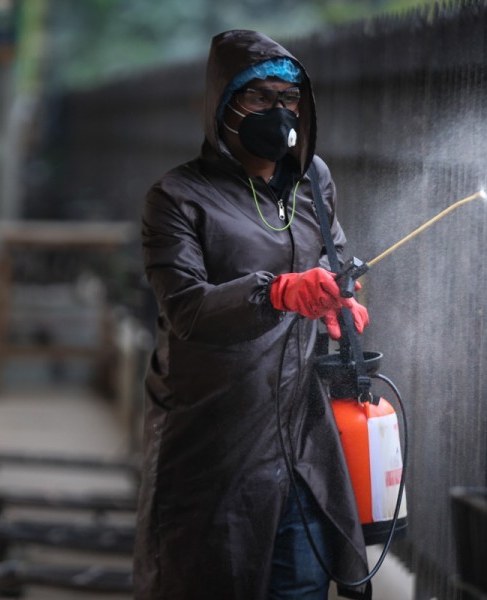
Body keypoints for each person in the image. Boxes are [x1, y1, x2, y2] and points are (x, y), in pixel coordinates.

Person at [133, 29, 372, 600]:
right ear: (223, 105)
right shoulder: (177, 199)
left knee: (302, 585)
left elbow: (333, 259)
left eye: (288, 101)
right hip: (215, 441)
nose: (278, 112)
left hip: (300, 443)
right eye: (260, 99)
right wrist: (278, 293)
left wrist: (342, 301)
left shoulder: (313, 181)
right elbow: (188, 310)